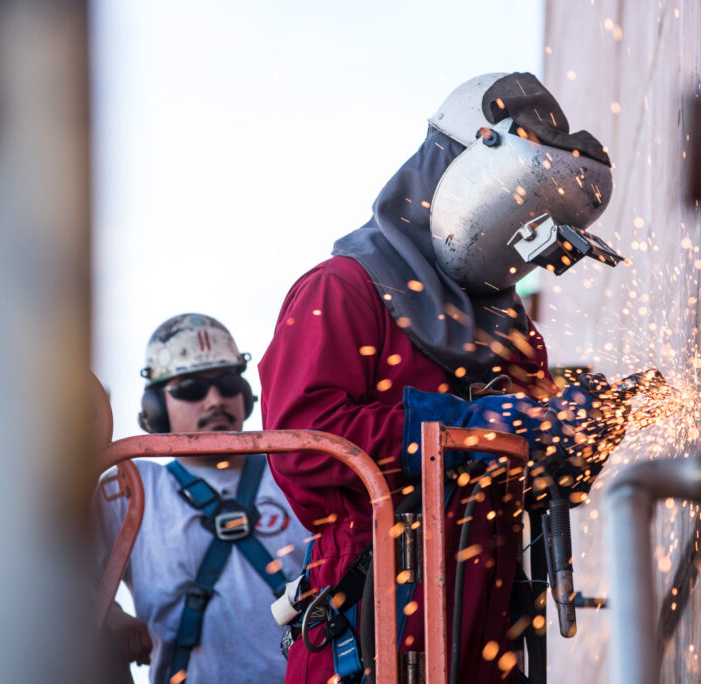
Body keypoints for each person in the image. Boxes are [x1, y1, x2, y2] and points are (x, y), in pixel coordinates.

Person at [259, 73, 632, 683]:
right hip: (372, 624)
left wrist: (580, 434)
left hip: (485, 631)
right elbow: (302, 443)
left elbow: (526, 461)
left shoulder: (511, 335)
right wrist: (460, 430)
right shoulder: (344, 291)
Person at [92, 313, 308, 684]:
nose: (214, 401)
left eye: (226, 384)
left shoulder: (295, 469)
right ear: (155, 408)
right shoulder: (130, 489)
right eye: (191, 389)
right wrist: (111, 614)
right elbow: (61, 574)